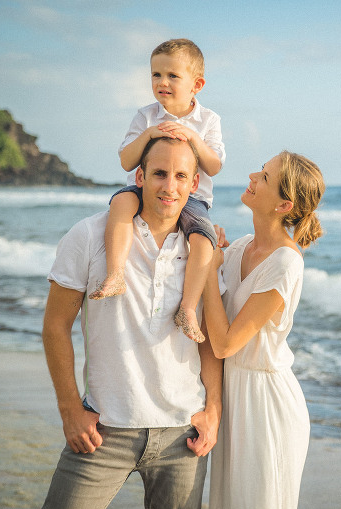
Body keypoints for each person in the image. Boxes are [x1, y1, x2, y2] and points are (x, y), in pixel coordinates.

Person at [41, 137, 222, 509]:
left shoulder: (204, 250)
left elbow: (209, 338)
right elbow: (56, 325)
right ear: (139, 176)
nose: (169, 186)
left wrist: (214, 409)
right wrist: (70, 409)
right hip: (104, 431)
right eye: (159, 173)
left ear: (193, 186)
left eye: (180, 176)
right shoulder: (91, 235)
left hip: (182, 434)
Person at [202, 151, 325, 509]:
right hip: (233, 395)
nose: (253, 175)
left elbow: (224, 343)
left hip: (266, 404)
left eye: (265, 177)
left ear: (284, 205)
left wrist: (210, 269)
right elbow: (209, 315)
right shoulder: (239, 247)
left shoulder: (285, 263)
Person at [90, 38, 225, 345]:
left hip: (190, 197)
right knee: (121, 203)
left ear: (197, 84)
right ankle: (116, 274)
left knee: (205, 238)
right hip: (144, 188)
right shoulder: (146, 116)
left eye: (172, 76)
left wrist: (193, 138)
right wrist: (150, 133)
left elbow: (214, 165)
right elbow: (126, 159)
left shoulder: (208, 120)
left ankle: (188, 309)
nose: (162, 82)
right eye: (156, 75)